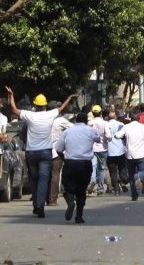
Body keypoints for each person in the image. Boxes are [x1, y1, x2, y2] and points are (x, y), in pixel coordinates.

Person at [5, 87, 76, 218]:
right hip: (45, 152)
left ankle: (36, 206)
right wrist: (70, 98)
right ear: (44, 105)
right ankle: (40, 205)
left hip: (31, 152)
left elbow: (13, 109)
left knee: (34, 179)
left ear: (35, 104)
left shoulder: (30, 115)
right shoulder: (50, 114)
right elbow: (62, 108)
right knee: (44, 179)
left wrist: (11, 96)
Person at [55, 112, 100, 223]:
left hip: (70, 163)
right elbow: (98, 139)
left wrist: (65, 158)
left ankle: (70, 201)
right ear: (86, 121)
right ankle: (79, 216)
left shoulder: (67, 132)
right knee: (81, 190)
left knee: (68, 186)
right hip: (85, 164)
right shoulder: (91, 130)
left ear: (75, 121)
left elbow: (58, 149)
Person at [114, 109, 144, 201]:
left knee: (131, 175)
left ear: (130, 118)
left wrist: (118, 136)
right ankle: (139, 175)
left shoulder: (126, 127)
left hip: (129, 155)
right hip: (141, 154)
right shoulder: (143, 127)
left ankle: (134, 194)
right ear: (139, 118)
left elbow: (117, 136)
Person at [48, 101, 73, 206]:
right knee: (56, 174)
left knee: (46, 175)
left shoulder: (45, 119)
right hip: (56, 151)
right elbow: (74, 128)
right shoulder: (61, 121)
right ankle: (52, 199)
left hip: (44, 149)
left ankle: (45, 198)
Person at [89, 105, 112, 196]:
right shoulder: (105, 123)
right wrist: (108, 139)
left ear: (93, 113)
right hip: (103, 148)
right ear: (100, 113)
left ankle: (93, 180)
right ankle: (100, 188)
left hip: (92, 148)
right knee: (101, 169)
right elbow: (108, 136)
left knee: (93, 166)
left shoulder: (90, 123)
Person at [106, 110, 128, 195]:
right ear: (115, 117)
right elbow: (124, 137)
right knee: (122, 168)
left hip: (110, 152)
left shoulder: (106, 125)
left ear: (108, 117)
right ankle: (123, 180)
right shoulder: (121, 125)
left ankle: (116, 189)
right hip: (121, 150)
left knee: (113, 171)